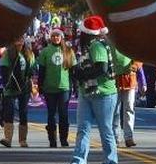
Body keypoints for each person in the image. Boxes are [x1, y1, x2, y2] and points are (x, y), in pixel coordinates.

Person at [69, 15, 126, 164]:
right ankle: (78, 160)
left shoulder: (96, 45)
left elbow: (102, 68)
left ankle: (110, 160)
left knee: (105, 130)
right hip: (86, 92)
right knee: (83, 129)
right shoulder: (88, 46)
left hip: (103, 93)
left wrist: (81, 74)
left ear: (87, 33)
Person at [37, 27, 73, 148]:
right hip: (49, 88)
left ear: (61, 37)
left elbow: (73, 70)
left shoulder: (68, 51)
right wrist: (40, 85)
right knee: (51, 114)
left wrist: (75, 86)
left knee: (63, 114)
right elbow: (41, 70)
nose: (55, 38)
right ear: (50, 38)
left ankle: (64, 139)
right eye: (53, 36)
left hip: (64, 88)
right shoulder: (45, 51)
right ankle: (52, 140)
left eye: (57, 36)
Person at [0, 35, 35, 148]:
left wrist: (30, 82)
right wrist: (6, 84)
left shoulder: (29, 53)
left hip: (24, 87)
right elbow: (4, 69)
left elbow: (32, 70)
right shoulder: (7, 53)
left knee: (23, 113)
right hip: (10, 87)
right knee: (9, 112)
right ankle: (8, 138)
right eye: (17, 39)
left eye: (21, 39)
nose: (19, 41)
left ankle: (22, 140)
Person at [113, 50, 142, 148]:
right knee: (114, 110)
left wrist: (136, 65)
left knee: (129, 108)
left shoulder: (130, 42)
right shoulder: (111, 40)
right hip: (114, 79)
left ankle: (129, 137)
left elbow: (139, 56)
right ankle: (115, 137)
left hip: (130, 79)